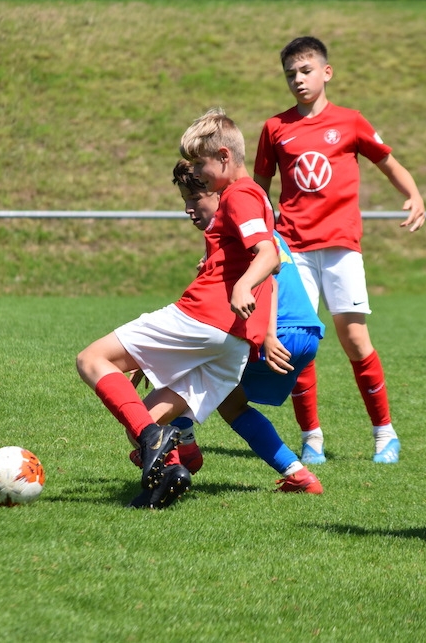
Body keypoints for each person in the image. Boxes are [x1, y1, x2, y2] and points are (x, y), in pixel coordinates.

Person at [76, 109, 281, 510]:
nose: (198, 173)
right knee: (142, 420)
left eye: (200, 165)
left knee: (92, 359)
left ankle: (155, 443)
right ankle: (171, 475)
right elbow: (264, 258)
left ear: (224, 156)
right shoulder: (256, 195)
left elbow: (268, 254)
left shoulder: (238, 194)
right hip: (234, 343)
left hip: (206, 317)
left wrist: (241, 285)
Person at [254, 36, 426, 464]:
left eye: (306, 70)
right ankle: (311, 437)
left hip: (340, 247)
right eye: (290, 74)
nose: (298, 79)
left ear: (326, 72)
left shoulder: (351, 122)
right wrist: (257, 232)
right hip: (293, 249)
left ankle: (384, 434)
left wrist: (413, 194)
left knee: (355, 339)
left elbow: (388, 162)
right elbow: (258, 188)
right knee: (299, 343)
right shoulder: (275, 128)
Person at [127, 159, 325, 496]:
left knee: (171, 395)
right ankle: (298, 475)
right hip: (304, 330)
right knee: (230, 403)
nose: (189, 209)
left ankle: (180, 448)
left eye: (196, 198)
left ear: (218, 193)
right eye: (184, 201)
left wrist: (268, 335)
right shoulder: (243, 227)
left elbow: (270, 278)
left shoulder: (238, 225)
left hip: (277, 330)